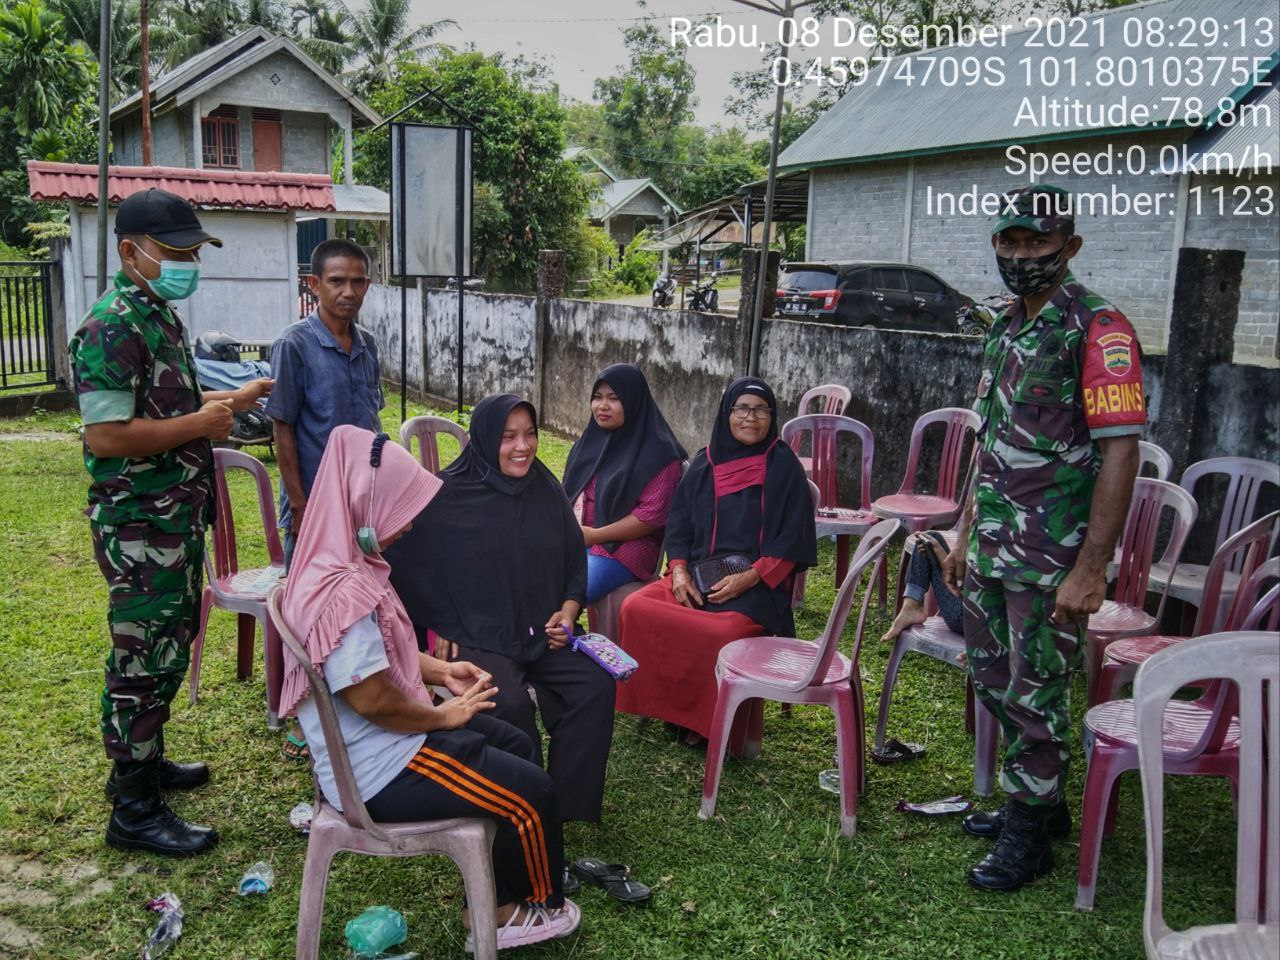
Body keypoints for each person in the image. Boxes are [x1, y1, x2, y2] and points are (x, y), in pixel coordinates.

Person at [278, 426, 578, 948]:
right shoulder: (343, 591)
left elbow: (375, 660)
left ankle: (496, 892)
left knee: (517, 741)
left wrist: (439, 673)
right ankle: (517, 912)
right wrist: (443, 716)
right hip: (380, 770)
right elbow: (370, 698)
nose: (409, 524)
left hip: (386, 744)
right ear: (361, 503)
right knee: (533, 795)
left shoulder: (332, 563)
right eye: (398, 509)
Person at [942, 184, 1145, 893]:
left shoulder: (1098, 329)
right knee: (991, 677)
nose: (1022, 256)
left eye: (1037, 244)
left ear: (1070, 248)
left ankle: (1031, 829)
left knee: (1039, 690)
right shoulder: (1005, 327)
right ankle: (1044, 799)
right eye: (1010, 242)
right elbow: (990, 442)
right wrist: (965, 530)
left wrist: (1092, 569)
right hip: (995, 542)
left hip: (1052, 554)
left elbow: (1122, 452)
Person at [68, 188, 272, 856]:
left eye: (193, 252)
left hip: (172, 518)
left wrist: (228, 399)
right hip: (138, 526)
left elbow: (165, 401)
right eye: (176, 252)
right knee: (141, 655)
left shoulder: (155, 315)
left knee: (166, 644)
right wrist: (202, 424)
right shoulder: (111, 325)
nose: (188, 263)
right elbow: (105, 435)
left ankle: (144, 766)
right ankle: (133, 810)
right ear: (131, 251)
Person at [385, 395, 617, 825]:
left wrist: (567, 613)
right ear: (488, 438)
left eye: (530, 434)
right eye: (509, 436)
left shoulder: (544, 489)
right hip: (477, 634)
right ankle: (517, 808)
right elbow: (404, 564)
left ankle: (560, 808)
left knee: (593, 685)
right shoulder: (448, 495)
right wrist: (440, 620)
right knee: (505, 702)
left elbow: (572, 561)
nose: (523, 446)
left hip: (539, 633)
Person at [616, 378, 817, 747]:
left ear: (771, 417)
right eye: (742, 408)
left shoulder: (784, 466)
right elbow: (678, 525)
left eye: (760, 409)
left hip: (756, 586)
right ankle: (666, 710)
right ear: (727, 413)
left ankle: (708, 725)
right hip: (698, 576)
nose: (750, 417)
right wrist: (678, 571)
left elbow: (793, 539)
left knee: (721, 634)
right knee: (636, 607)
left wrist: (751, 578)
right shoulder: (705, 462)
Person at [266, 238, 383, 762]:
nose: (348, 291)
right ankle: (303, 716)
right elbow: (283, 428)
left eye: (358, 281)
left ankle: (359, 698)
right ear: (314, 285)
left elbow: (370, 425)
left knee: (361, 601)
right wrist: (300, 503)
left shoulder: (368, 345)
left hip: (361, 502)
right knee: (309, 610)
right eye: (337, 281)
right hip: (314, 505)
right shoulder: (295, 344)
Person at [561, 363, 686, 605]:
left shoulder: (660, 454)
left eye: (613, 398)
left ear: (633, 401)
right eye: (597, 397)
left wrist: (594, 535)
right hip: (577, 539)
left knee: (563, 591)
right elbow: (567, 493)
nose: (602, 406)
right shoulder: (588, 443)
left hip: (624, 550)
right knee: (526, 574)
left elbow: (650, 517)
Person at [880, 530, 963, 642]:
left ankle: (911, 607)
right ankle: (910, 606)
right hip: (967, 607)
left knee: (931, 541)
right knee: (930, 538)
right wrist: (941, 555)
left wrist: (944, 561)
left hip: (972, 620)